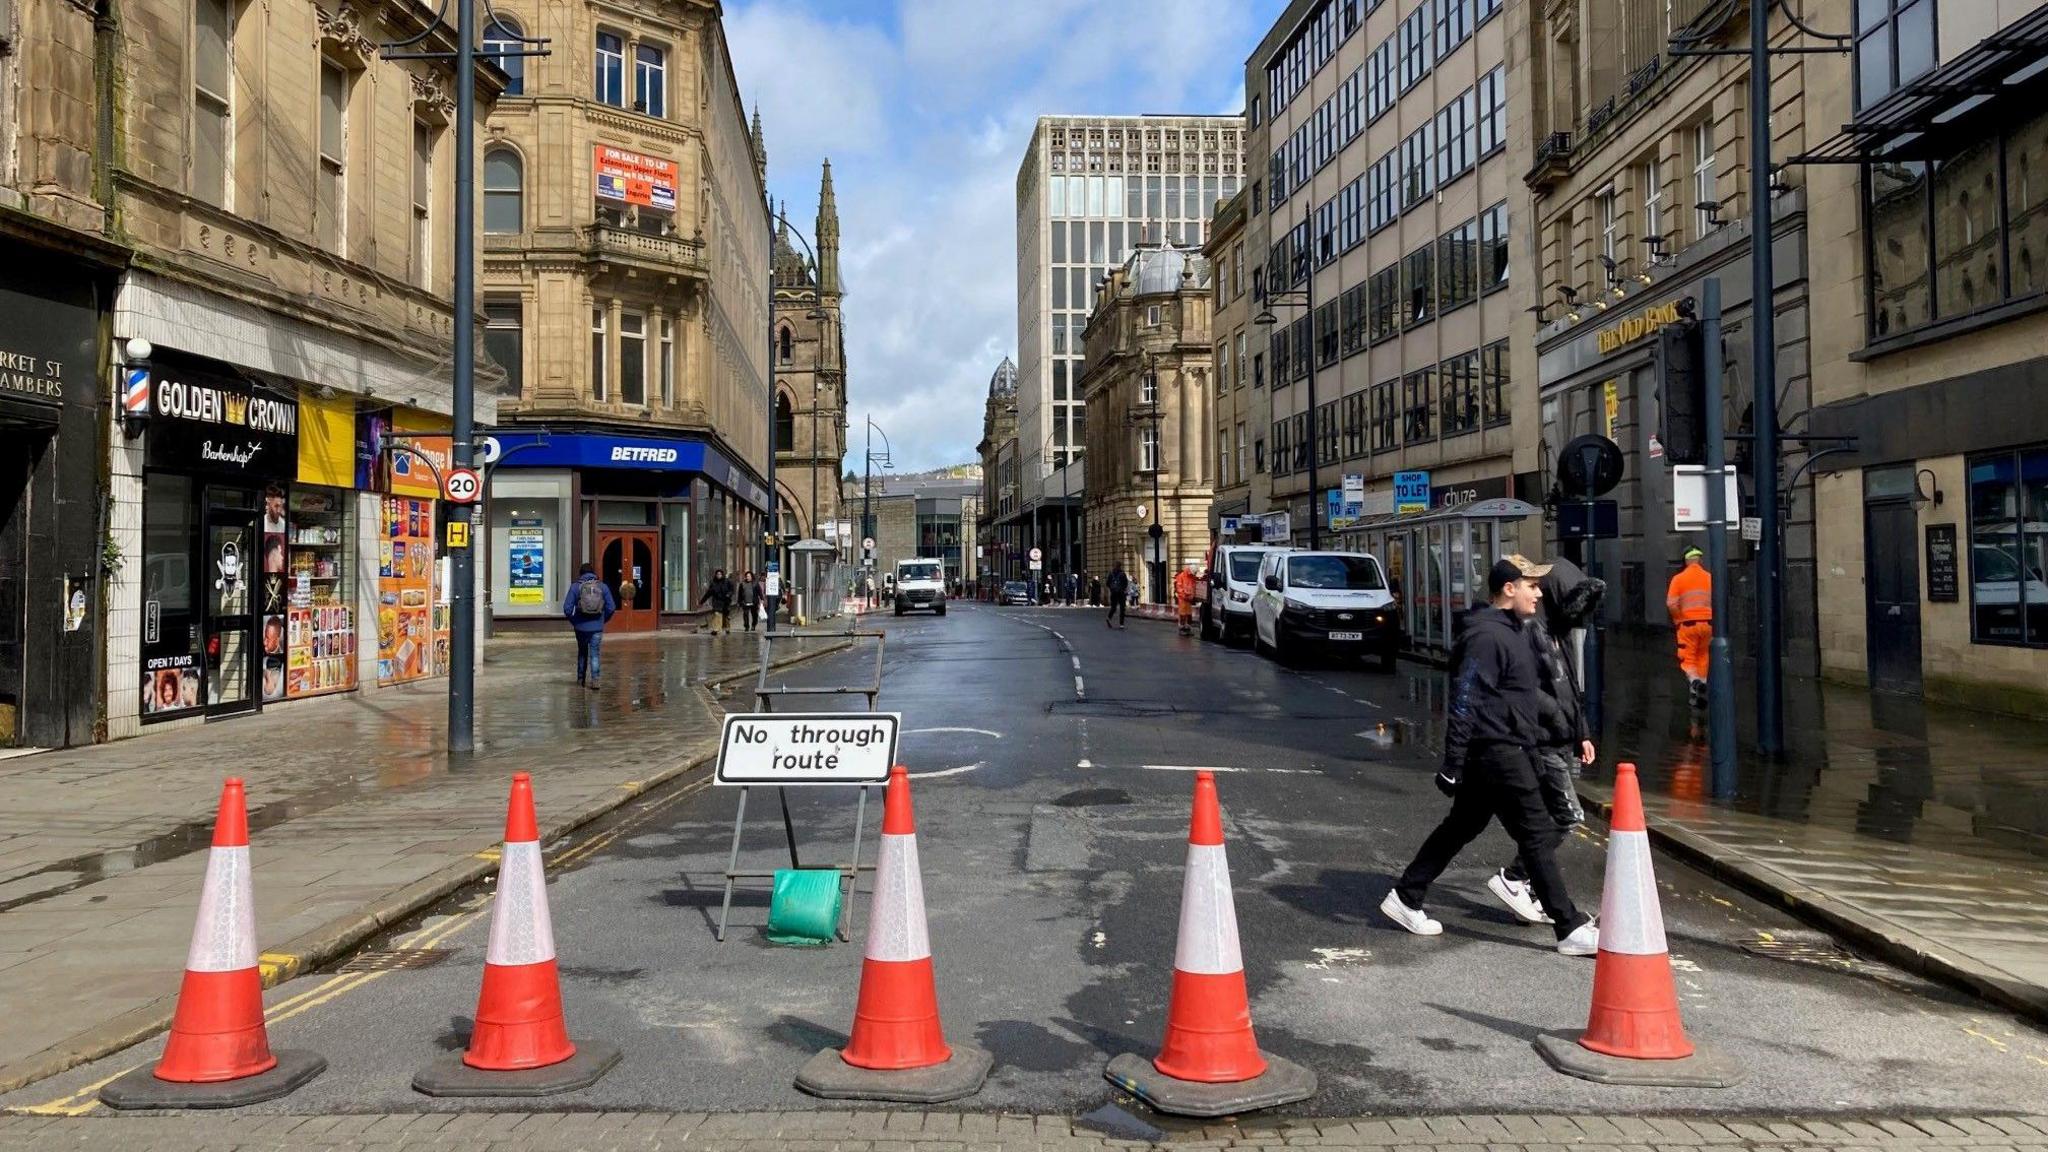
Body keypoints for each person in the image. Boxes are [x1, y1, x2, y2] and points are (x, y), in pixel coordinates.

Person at [1381, 555, 1599, 957]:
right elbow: (1465, 699)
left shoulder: (1513, 631)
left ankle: (1406, 896)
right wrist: (1452, 763)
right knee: (1535, 832)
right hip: (1498, 750)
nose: (1538, 593)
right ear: (1509, 589)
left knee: (1460, 827)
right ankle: (1568, 927)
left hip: (1506, 748)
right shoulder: (1488, 636)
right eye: (1531, 585)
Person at [1489, 557, 1602, 925]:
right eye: (1532, 586)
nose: (1536, 593)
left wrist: (1580, 732)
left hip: (1559, 738)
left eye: (1540, 587)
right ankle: (1515, 877)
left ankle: (1530, 883)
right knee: (1568, 815)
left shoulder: (1557, 630)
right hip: (1540, 742)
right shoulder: (1530, 631)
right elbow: (1531, 693)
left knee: (1548, 817)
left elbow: (1569, 686)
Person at [1666, 546, 1713, 709]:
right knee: (1703, 654)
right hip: (1707, 624)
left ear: (1686, 561)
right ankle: (1702, 684)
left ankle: (1694, 682)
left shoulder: (1679, 579)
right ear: (1700, 560)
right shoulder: (1709, 577)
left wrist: (1678, 619)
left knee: (1688, 656)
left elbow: (1671, 603)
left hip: (1687, 625)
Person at [562, 562, 617, 690]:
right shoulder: (602, 587)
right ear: (593, 573)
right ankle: (595, 681)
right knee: (595, 654)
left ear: (581, 574)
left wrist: (575, 621)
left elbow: (567, 608)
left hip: (580, 627)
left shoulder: (576, 587)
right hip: (597, 627)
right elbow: (611, 607)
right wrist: (603, 619)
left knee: (582, 653)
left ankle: (581, 679)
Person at [698, 568, 734, 633]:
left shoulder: (727, 582)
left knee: (725, 616)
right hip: (717, 601)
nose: (719, 575)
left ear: (722, 575)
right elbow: (708, 593)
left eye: (720, 574)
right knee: (717, 614)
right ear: (716, 575)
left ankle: (727, 628)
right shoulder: (713, 583)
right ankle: (716, 629)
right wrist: (702, 601)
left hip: (725, 601)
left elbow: (731, 590)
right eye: (717, 574)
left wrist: (729, 594)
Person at [1173, 563, 1200, 636]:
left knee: (1188, 614)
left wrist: (1193, 596)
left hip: (1188, 599)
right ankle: (1182, 628)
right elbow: (1179, 588)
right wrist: (1185, 595)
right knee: (1182, 614)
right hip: (1183, 599)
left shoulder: (1191, 577)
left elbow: (1193, 587)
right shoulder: (1181, 576)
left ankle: (1187, 628)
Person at [1105, 562, 1130, 629]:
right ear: (1120, 566)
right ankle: (1121, 624)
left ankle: (1109, 618)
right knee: (1122, 608)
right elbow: (1126, 583)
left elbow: (1107, 583)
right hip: (1121, 593)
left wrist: (1112, 589)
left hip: (1113, 593)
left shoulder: (1111, 574)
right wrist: (1123, 589)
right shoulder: (1122, 574)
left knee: (1113, 607)